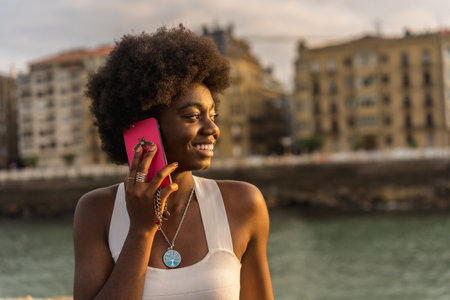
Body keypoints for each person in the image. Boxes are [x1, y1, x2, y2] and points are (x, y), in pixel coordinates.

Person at [73, 25, 273, 300]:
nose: (212, 128)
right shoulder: (97, 211)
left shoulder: (244, 203)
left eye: (213, 115)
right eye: (193, 116)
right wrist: (141, 231)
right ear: (142, 126)